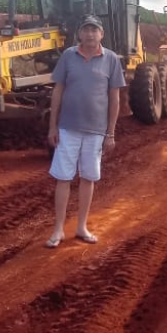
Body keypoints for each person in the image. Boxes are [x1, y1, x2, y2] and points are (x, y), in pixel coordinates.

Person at [45, 13, 127, 247]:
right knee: (63, 177)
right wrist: (52, 126)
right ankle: (58, 229)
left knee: (88, 178)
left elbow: (115, 99)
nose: (90, 34)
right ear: (79, 33)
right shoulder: (68, 56)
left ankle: (81, 226)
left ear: (101, 34)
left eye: (94, 30)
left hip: (96, 131)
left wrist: (110, 133)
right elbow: (58, 92)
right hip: (68, 128)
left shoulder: (111, 59)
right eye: (86, 30)